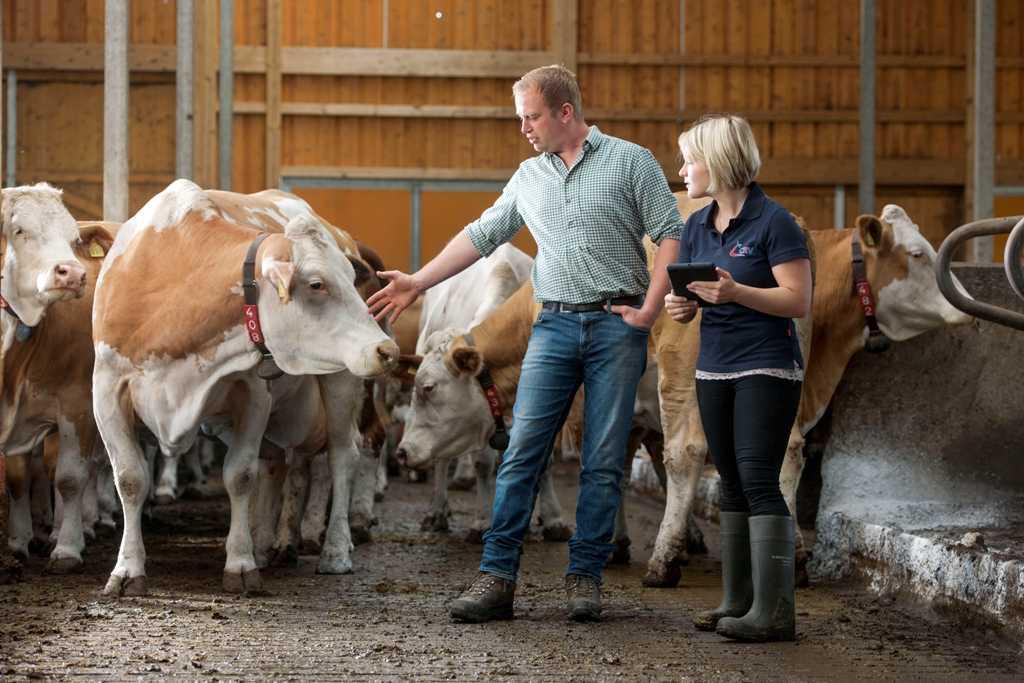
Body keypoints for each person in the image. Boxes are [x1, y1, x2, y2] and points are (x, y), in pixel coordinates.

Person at [367, 64, 683, 623]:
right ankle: (497, 577)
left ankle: (584, 577)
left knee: (603, 458)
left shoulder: (631, 161)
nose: (524, 129)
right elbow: (482, 235)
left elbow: (669, 233)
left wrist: (651, 310)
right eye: (520, 118)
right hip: (554, 326)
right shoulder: (528, 176)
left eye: (531, 116)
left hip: (616, 327)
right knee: (521, 450)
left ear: (565, 113)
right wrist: (418, 280)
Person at [665, 114, 812, 642]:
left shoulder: (775, 223)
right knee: (729, 483)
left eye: (690, 159)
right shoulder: (695, 226)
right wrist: (682, 306)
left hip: (766, 366)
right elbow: (696, 295)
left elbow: (797, 300)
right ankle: (739, 600)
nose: (681, 170)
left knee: (756, 478)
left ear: (720, 162)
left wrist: (737, 293)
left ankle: (775, 613)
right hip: (714, 366)